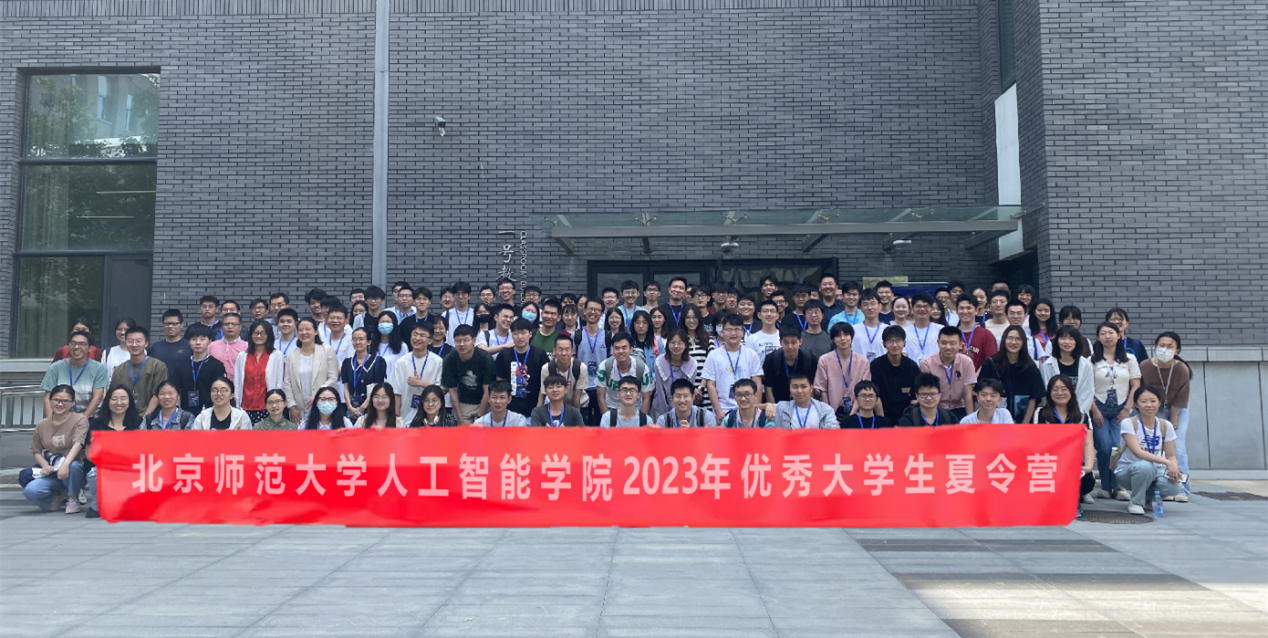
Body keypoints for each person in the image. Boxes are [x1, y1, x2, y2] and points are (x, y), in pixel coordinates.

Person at [1090, 322, 1142, 501]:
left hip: (1122, 408)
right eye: (1103, 333)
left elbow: (1136, 385)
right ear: (1098, 337)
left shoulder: (1129, 359)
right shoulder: (1091, 360)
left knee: (1117, 447)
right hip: (1099, 408)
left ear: (1119, 335)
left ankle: (1119, 486)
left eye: (1111, 332)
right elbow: (1087, 388)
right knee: (1104, 448)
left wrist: (1128, 408)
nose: (1107, 336)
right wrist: (1095, 410)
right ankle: (1105, 486)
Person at [1114, 386, 1183, 515]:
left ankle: (1149, 499)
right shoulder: (1128, 423)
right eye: (1143, 401)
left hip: (1156, 470)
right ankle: (1136, 502)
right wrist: (1167, 462)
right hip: (1129, 470)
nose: (1149, 405)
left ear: (1159, 403)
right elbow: (1138, 452)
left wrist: (1174, 468)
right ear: (1136, 404)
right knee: (1145, 466)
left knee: (1176, 487)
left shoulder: (1165, 425)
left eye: (1153, 401)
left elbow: (1171, 455)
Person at [1140, 331, 1191, 500]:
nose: (1165, 349)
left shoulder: (1182, 369)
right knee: (1156, 445)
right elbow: (1141, 392)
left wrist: (1173, 421)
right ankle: (1165, 487)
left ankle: (1182, 488)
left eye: (1170, 346)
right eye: (1162, 345)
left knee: (1178, 447)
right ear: (1155, 347)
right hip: (1152, 407)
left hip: (1178, 407)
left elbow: (1181, 398)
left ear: (1177, 350)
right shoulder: (1145, 366)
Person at [1034, 375, 1097, 512]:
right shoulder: (1040, 413)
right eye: (1055, 389)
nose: (1060, 393)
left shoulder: (1083, 416)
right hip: (1049, 463)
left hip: (1073, 463)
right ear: (1049, 392)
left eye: (1064, 389)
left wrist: (1089, 466)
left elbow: (1088, 443)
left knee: (1087, 480)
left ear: (1071, 392)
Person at [21, 384, 88, 514]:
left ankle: (73, 497)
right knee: (30, 491)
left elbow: (78, 444)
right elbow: (36, 450)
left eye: (65, 401)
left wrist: (65, 464)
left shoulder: (80, 420)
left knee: (74, 466)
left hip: (72, 470)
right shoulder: (42, 424)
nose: (60, 404)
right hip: (52, 471)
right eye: (56, 400)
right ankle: (57, 494)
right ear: (50, 401)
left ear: (72, 403)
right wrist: (45, 466)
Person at [81, 385, 143, 517]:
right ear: (107, 401)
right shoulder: (96, 424)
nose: (119, 403)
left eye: (123, 398)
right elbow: (88, 453)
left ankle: (98, 506)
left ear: (130, 401)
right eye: (114, 399)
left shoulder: (138, 423)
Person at [703, 315, 764, 424]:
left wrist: (755, 408)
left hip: (747, 408)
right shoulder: (713, 355)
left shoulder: (751, 354)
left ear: (743, 333)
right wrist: (718, 410)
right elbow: (711, 384)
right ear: (722, 332)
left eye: (737, 329)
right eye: (729, 330)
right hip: (723, 408)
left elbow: (757, 383)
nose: (733, 333)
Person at [978, 326, 1045, 423]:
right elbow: (981, 392)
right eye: (1010, 338)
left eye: (1018, 339)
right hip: (995, 421)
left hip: (1022, 420)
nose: (1013, 342)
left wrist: (1025, 425)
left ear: (1023, 342)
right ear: (1004, 340)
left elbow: (1034, 398)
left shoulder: (1030, 366)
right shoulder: (991, 363)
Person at [40, 331, 109, 417]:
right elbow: (47, 397)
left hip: (88, 419)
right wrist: (51, 420)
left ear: (90, 348)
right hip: (59, 418)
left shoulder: (98, 368)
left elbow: (97, 397)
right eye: (73, 343)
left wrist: (82, 420)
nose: (76, 347)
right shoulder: (56, 367)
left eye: (82, 344)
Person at [285, 318, 339, 424]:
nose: (304, 332)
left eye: (308, 329)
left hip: (323, 405)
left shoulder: (327, 351)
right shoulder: (291, 355)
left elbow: (333, 378)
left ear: (316, 331)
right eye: (300, 330)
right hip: (299, 410)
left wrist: (319, 394)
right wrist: (291, 406)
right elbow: (287, 383)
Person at [493, 318, 551, 418]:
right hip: (509, 409)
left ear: (530, 334)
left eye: (523, 333)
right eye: (516, 333)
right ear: (512, 335)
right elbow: (499, 382)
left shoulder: (540, 355)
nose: (520, 337)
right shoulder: (504, 355)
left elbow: (544, 384)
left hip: (533, 407)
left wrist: (538, 409)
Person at [389, 323, 445, 424]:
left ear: (430, 340)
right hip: (405, 418)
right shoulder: (401, 363)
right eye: (414, 334)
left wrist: (420, 383)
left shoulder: (438, 362)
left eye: (422, 335)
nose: (417, 338)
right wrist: (396, 417)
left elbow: (442, 390)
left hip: (431, 419)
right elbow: (396, 393)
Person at [918, 326, 977, 420]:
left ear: (960, 345)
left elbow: (967, 395)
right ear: (938, 343)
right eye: (944, 343)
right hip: (937, 408)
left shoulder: (967, 362)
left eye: (953, 343)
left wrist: (970, 420)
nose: (948, 347)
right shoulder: (927, 363)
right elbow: (928, 392)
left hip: (959, 407)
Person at [812, 323, 871, 415]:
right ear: (833, 339)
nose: (842, 338)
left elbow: (864, 390)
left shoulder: (863, 362)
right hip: (831, 412)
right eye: (838, 336)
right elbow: (822, 389)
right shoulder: (824, 360)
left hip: (858, 412)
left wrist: (853, 414)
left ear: (852, 338)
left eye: (846, 335)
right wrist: (829, 414)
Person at [233, 321, 285, 424]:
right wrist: (237, 404)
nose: (259, 336)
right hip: (245, 405)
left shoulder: (277, 355)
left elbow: (279, 382)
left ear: (269, 335)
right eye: (256, 333)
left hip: (268, 406)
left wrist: (277, 404)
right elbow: (237, 383)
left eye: (263, 333)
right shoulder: (242, 356)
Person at [110, 326, 168, 416]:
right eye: (130, 341)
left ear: (146, 343)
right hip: (124, 418)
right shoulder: (119, 370)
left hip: (151, 418)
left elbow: (158, 395)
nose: (134, 345)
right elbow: (113, 395)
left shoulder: (158, 366)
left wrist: (144, 418)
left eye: (138, 341)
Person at [443, 325, 495, 422]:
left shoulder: (485, 358)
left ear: (474, 340)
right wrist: (459, 418)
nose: (461, 344)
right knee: (463, 430)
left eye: (466, 340)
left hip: (485, 402)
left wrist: (479, 417)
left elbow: (487, 391)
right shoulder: (449, 359)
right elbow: (452, 391)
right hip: (464, 403)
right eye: (458, 341)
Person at [1040, 325, 1096, 417]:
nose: (1067, 342)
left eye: (1071, 339)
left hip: (1078, 414)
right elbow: (1047, 391)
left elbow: (1087, 392)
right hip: (1054, 415)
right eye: (1063, 338)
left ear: (1077, 342)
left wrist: (1077, 414)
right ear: (1057, 341)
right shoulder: (1047, 365)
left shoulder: (1086, 365)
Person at [173, 323, 226, 414]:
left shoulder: (217, 365)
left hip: (210, 412)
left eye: (202, 339)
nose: (198, 342)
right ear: (189, 341)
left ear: (209, 341)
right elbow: (175, 389)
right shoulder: (181, 365)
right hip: (185, 412)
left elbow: (221, 390)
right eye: (194, 339)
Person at [596, 332, 654, 415]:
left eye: (624, 348)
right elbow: (601, 398)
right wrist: (607, 419)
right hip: (612, 407)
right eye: (617, 348)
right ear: (612, 350)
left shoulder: (641, 368)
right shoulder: (604, 366)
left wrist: (641, 420)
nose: (620, 351)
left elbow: (646, 398)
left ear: (631, 349)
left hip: (635, 408)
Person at [869, 326, 920, 420]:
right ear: (884, 344)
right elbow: (875, 396)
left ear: (904, 343)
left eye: (898, 341)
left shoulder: (912, 367)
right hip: (881, 414)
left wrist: (908, 419)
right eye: (890, 341)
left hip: (907, 416)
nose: (894, 345)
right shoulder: (876, 366)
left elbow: (915, 397)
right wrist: (882, 420)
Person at [573, 299, 609, 423]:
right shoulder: (576, 336)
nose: (593, 312)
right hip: (582, 386)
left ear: (602, 313)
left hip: (602, 386)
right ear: (584, 311)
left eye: (597, 310)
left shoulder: (608, 336)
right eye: (590, 309)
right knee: (583, 424)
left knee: (601, 423)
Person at [342, 327, 388, 420]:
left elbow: (377, 387)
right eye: (354, 339)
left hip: (371, 408)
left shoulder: (378, 362)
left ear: (369, 342)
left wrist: (363, 407)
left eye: (361, 339)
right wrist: (350, 407)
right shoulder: (347, 362)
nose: (357, 342)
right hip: (352, 409)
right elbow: (346, 387)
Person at [761, 326, 815, 404]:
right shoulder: (771, 359)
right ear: (780, 342)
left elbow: (812, 387)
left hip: (803, 402)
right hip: (778, 402)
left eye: (793, 342)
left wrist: (807, 407)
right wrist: (774, 408)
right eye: (786, 343)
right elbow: (768, 389)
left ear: (800, 342)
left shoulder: (809, 359)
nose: (790, 347)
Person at [653, 330, 697, 416]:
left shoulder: (692, 364)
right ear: (667, 344)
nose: (676, 346)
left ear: (686, 345)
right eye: (672, 343)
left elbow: (689, 391)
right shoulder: (659, 362)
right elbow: (660, 390)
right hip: (661, 406)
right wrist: (665, 414)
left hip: (684, 405)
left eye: (680, 343)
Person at [539, 333, 588, 410]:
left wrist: (576, 416)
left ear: (572, 351)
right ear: (554, 351)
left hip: (579, 405)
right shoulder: (547, 368)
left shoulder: (581, 368)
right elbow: (543, 393)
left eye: (567, 350)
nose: (564, 353)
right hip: (555, 405)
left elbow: (577, 398)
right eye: (560, 349)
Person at [775, 372, 839, 429]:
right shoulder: (781, 408)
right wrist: (769, 405)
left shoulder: (826, 410)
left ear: (811, 388)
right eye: (795, 387)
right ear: (790, 389)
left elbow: (834, 430)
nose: (799, 391)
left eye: (803, 387)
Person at [954, 294, 997, 370]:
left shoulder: (987, 335)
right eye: (961, 308)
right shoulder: (950, 334)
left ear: (976, 310)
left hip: (979, 377)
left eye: (969, 308)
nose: (965, 311)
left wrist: (975, 376)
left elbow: (991, 362)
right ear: (957, 311)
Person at [149, 309, 191, 379]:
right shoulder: (155, 347)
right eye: (167, 324)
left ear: (182, 324)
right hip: (159, 385)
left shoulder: (189, 346)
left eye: (174, 324)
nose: (170, 326)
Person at [849, 291, 889, 362]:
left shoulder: (888, 330)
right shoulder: (853, 330)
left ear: (880, 306)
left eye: (873, 304)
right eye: (865, 304)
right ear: (861, 308)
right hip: (859, 367)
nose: (869, 308)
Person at [207, 313, 247, 381]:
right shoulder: (211, 346)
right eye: (227, 324)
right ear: (222, 327)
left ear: (240, 327)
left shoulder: (247, 347)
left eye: (233, 324)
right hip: (215, 384)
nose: (230, 327)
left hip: (239, 384)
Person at [903, 293, 940, 363]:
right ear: (912, 309)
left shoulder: (940, 330)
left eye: (926, 306)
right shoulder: (904, 331)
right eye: (918, 306)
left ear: (931, 309)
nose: (922, 309)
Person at [1028, 299, 1057, 363]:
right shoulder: (1028, 330)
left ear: (1051, 312)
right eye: (1039, 310)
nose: (1043, 313)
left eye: (1046, 311)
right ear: (1034, 311)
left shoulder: (1057, 331)